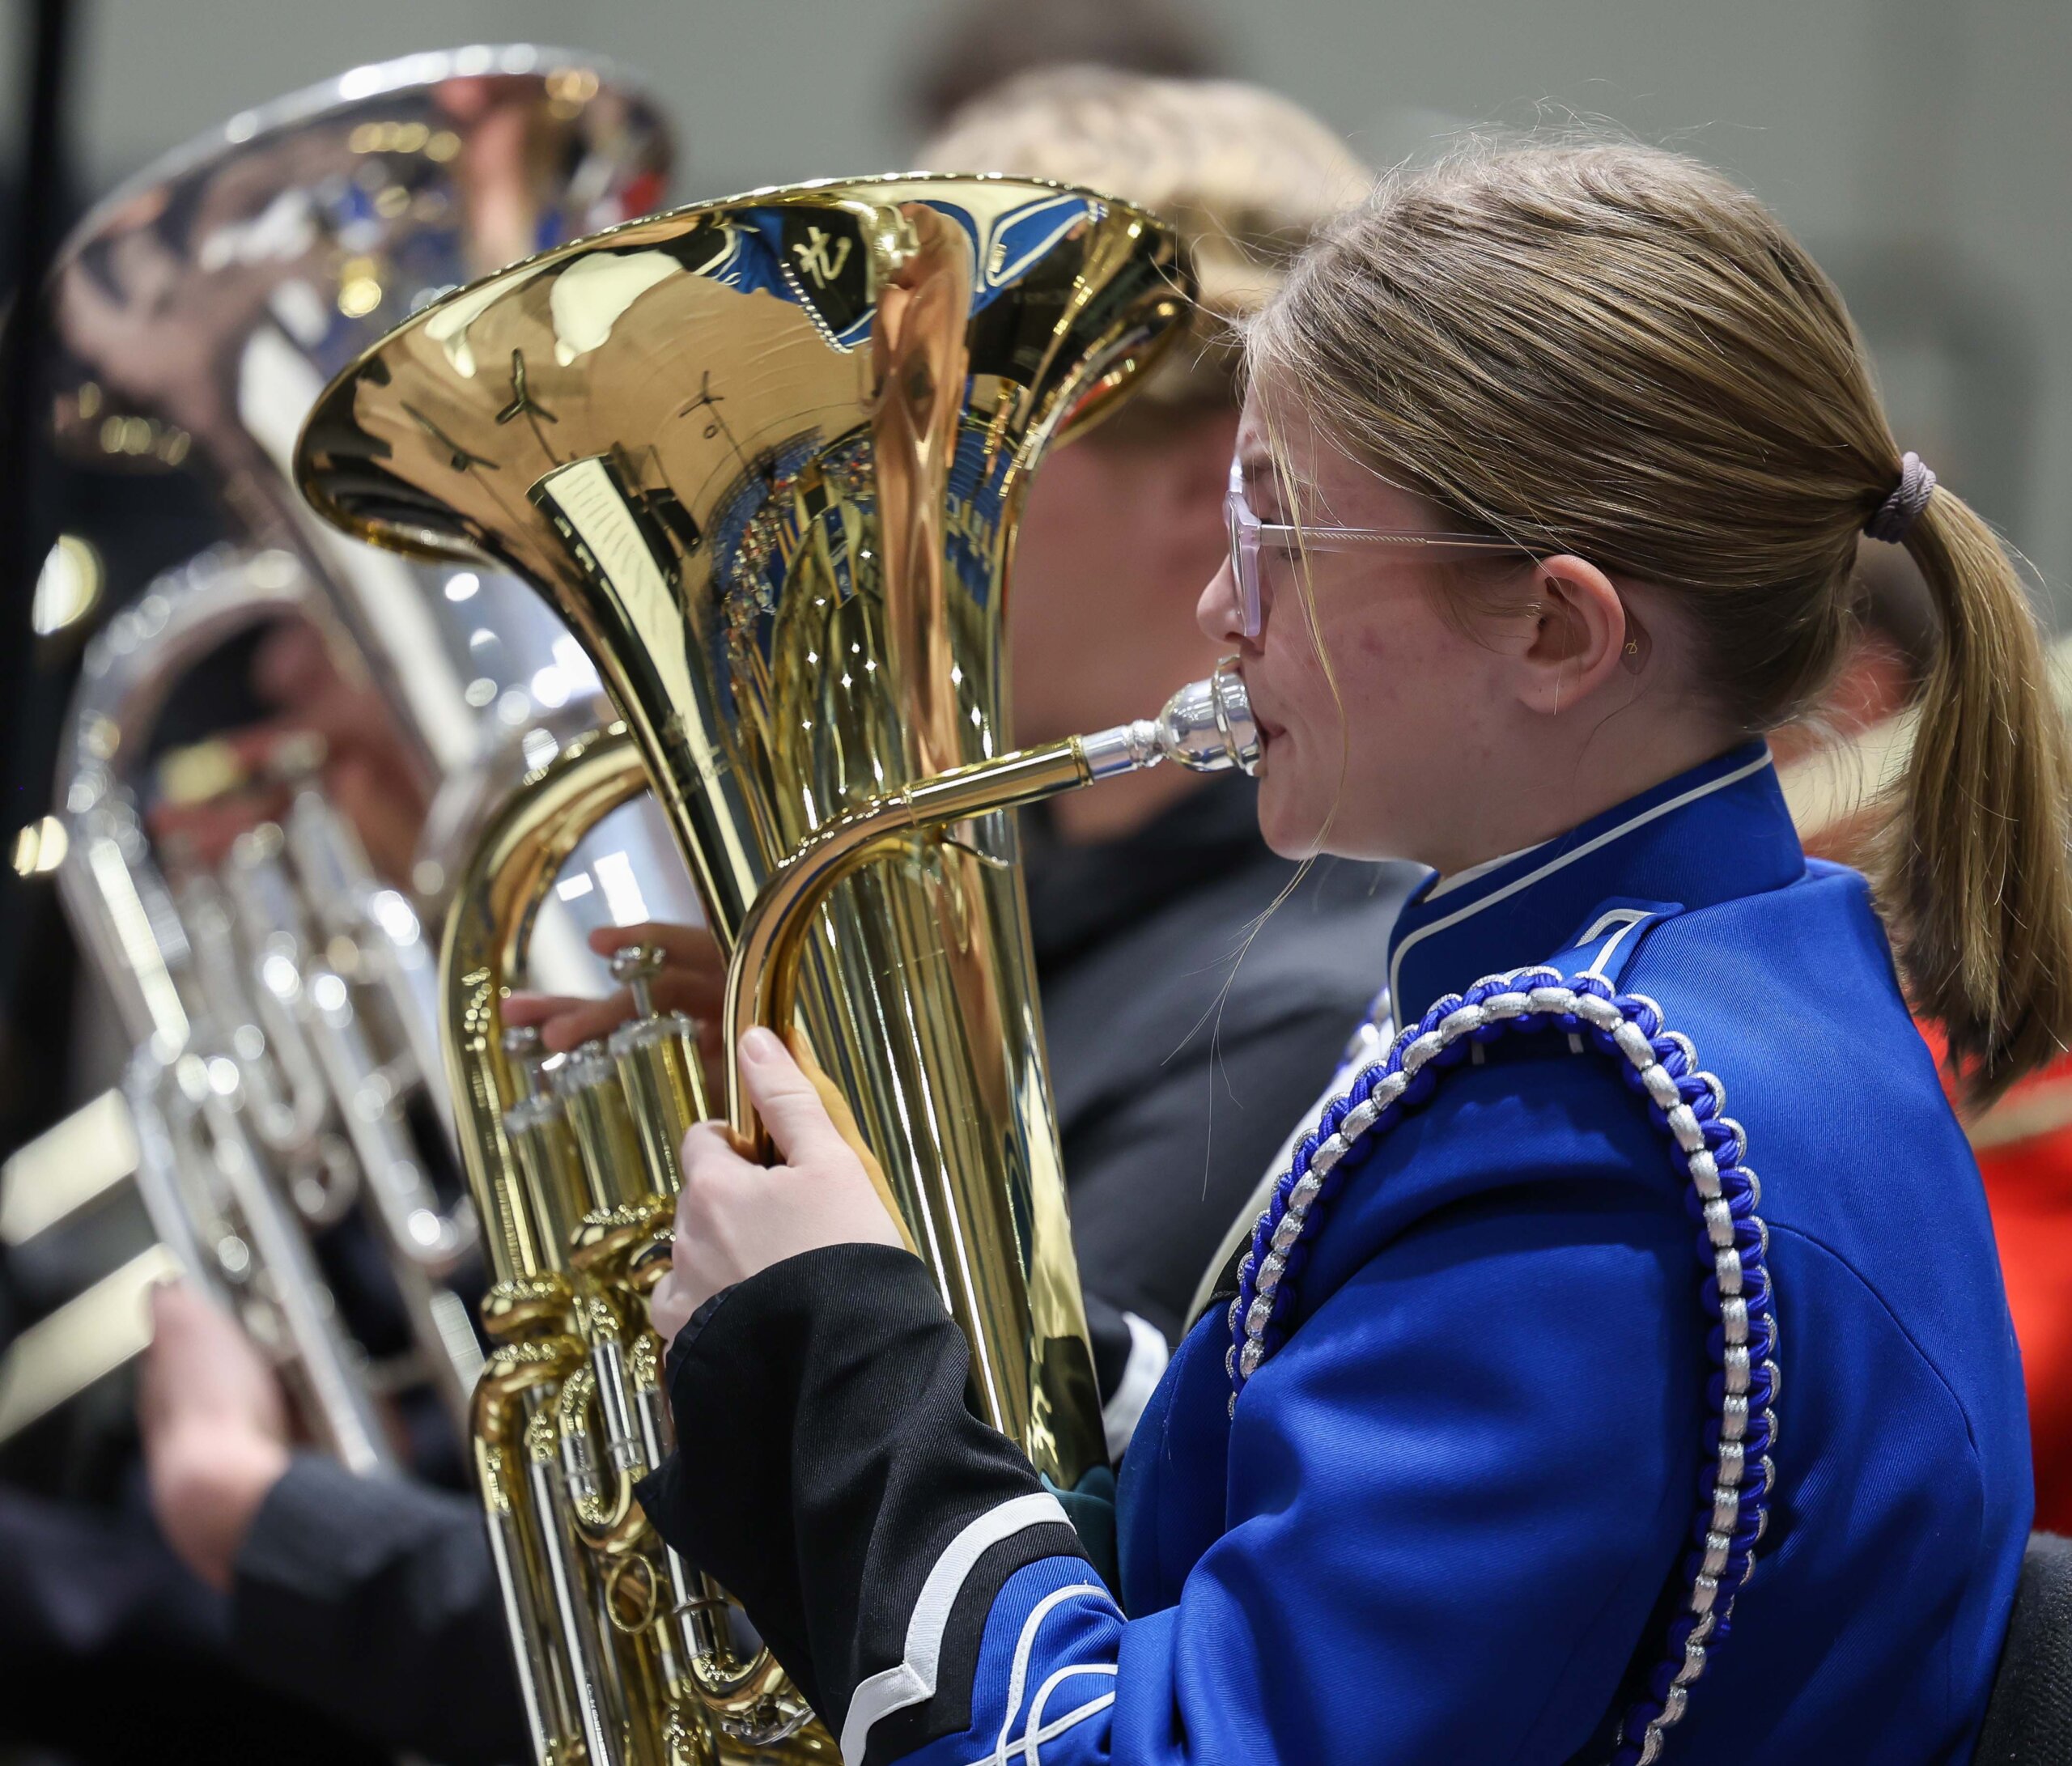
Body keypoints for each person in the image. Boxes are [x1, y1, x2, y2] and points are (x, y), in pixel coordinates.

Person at [635, 138, 2067, 1764]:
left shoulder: (1588, 1136)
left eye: (1282, 529)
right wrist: (920, 1248)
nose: (1219, 607)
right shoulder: (1726, 974)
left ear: (1554, 630)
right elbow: (1327, 1502)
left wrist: (839, 1349)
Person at [136, 70, 1412, 1760]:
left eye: (926, 435)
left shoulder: (1287, 993)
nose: (798, 513)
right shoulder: (1003, 912)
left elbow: (896, 1594)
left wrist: (262, 1519)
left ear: (1201, 491)